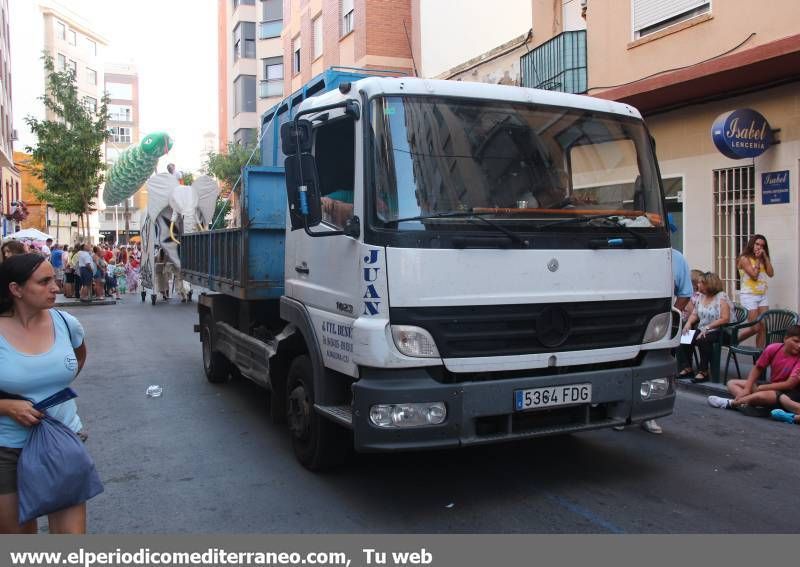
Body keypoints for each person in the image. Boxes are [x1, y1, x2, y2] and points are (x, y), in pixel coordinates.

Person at [0, 253, 88, 533]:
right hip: (8, 451)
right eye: (44, 281)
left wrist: (46, 386)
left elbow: (78, 357)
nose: (56, 288)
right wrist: (6, 406)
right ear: (16, 289)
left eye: (55, 279)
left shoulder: (66, 323)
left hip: (61, 442)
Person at [709, 325, 800, 415]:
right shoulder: (774, 348)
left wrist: (762, 388)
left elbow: (789, 384)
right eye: (796, 341)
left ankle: (731, 403)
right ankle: (749, 404)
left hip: (788, 393)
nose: (799, 345)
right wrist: (747, 388)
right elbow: (758, 368)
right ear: (786, 338)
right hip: (772, 385)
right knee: (732, 383)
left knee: (761, 395)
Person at [681, 272, 731, 383]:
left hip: (720, 331)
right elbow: (695, 314)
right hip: (704, 329)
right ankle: (688, 368)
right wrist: (688, 323)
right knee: (685, 337)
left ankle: (704, 372)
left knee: (703, 339)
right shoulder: (701, 297)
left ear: (708, 284)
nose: (697, 284)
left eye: (700, 283)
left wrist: (708, 327)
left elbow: (725, 318)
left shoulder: (721, 297)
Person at [736, 234, 774, 348]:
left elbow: (771, 273)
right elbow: (754, 276)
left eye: (762, 245)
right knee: (755, 327)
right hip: (749, 295)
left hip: (762, 295)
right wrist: (757, 260)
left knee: (763, 327)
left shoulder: (762, 258)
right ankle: (733, 340)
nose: (759, 247)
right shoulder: (744, 258)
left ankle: (759, 356)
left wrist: (765, 258)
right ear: (752, 244)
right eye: (757, 244)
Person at [676, 269, 705, 378]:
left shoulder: (697, 296)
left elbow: (693, 312)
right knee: (680, 333)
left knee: (683, 335)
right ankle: (685, 366)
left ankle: (686, 367)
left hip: (697, 323)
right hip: (689, 322)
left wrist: (687, 302)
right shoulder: (691, 294)